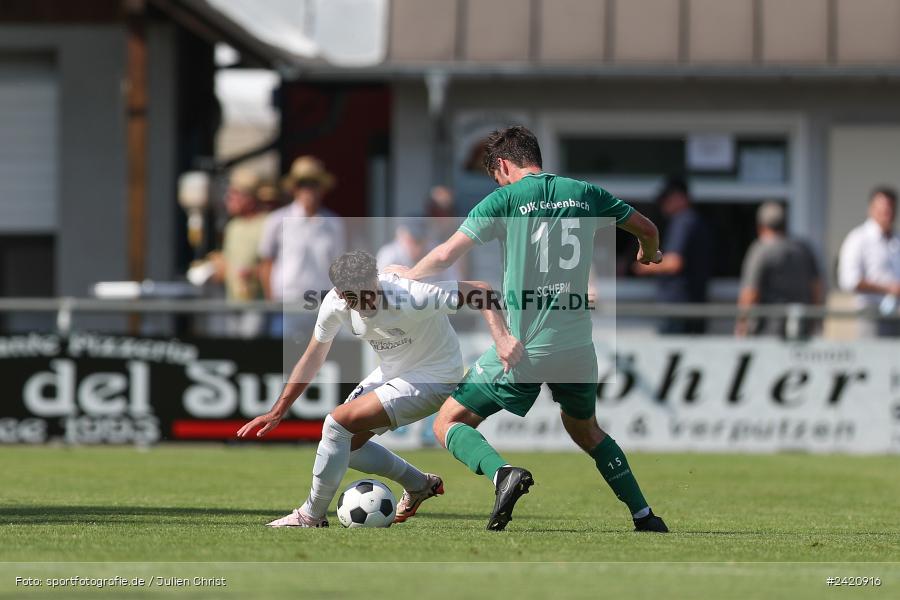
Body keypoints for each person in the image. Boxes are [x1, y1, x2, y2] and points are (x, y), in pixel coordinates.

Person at [387, 126, 668, 533]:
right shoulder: (586, 192)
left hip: (523, 346)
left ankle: (503, 474)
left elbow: (447, 254)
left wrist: (408, 276)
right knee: (586, 430)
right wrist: (649, 252)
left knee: (448, 422)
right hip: (576, 347)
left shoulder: (504, 199)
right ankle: (645, 516)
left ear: (502, 165)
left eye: (495, 175)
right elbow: (648, 229)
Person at [237, 251, 522, 528]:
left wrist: (501, 338)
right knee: (345, 447)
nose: (364, 303)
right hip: (393, 372)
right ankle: (419, 484)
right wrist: (278, 411)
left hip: (435, 376)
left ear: (376, 280)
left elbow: (482, 292)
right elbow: (313, 357)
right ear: (338, 292)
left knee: (336, 424)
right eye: (353, 298)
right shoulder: (334, 305)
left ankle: (310, 516)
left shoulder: (410, 295)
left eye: (369, 292)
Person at [258, 156, 346, 340]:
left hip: (322, 302)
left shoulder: (333, 223)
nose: (309, 190)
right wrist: (271, 301)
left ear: (321, 188)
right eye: (303, 184)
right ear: (295, 189)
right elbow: (266, 262)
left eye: (314, 184)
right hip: (287, 302)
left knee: (325, 359)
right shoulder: (277, 220)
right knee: (281, 360)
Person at [633, 178, 713, 334]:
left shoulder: (684, 221)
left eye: (666, 199)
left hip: (678, 307)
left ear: (680, 198)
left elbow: (674, 263)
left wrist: (644, 265)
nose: (663, 205)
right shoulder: (694, 221)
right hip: (691, 306)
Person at [735, 202, 823, 338]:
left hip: (767, 330)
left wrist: (741, 325)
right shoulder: (803, 249)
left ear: (760, 227)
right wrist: (816, 321)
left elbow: (750, 293)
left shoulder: (760, 251)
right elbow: (816, 288)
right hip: (801, 328)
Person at [838, 186, 900, 337]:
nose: (887, 215)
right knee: (875, 357)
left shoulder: (896, 239)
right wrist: (888, 289)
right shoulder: (859, 238)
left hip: (896, 313)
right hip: (871, 313)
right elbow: (849, 281)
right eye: (883, 210)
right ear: (871, 210)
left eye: (890, 210)